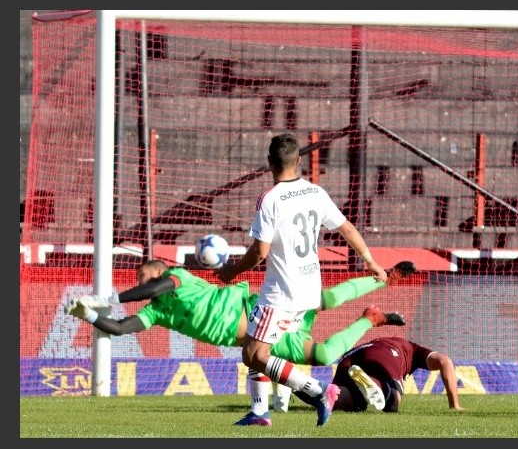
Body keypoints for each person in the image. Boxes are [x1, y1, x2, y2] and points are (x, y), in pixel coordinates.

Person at [64, 258, 414, 424]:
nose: (140, 283)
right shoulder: (157, 313)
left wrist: (110, 298)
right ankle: (371, 319)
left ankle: (383, 277)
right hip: (260, 339)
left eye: (142, 276)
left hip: (260, 310)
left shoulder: (178, 277)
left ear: (158, 271)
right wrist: (88, 315)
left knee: (325, 299)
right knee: (322, 355)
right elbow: (120, 328)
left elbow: (152, 288)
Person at [213, 133, 388, 427]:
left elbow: (259, 252)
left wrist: (232, 271)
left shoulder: (269, 199)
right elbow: (346, 228)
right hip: (308, 291)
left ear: (269, 162)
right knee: (257, 348)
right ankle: (259, 412)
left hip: (282, 292)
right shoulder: (315, 192)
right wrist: (370, 261)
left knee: (253, 354)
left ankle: (319, 392)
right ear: (298, 161)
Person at [322, 336, 464, 413]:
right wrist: (454, 405)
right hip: (384, 352)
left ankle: (313, 390)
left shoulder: (382, 341)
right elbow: (444, 361)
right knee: (393, 402)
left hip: (349, 356)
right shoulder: (412, 349)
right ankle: (376, 383)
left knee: (343, 400)